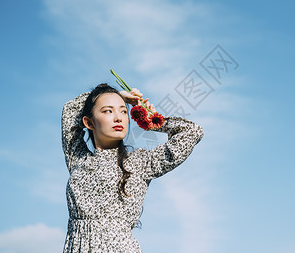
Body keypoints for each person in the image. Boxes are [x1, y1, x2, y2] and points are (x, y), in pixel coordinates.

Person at [61, 83, 204, 252]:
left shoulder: (140, 163)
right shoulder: (78, 158)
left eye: (123, 110)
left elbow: (192, 132)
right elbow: (70, 110)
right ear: (89, 122)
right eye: (108, 110)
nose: (118, 117)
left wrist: (153, 120)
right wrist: (121, 96)